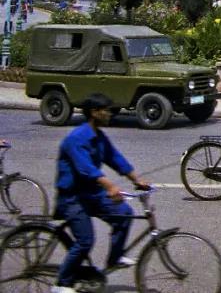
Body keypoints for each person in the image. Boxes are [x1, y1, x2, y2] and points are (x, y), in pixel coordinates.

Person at [53, 94, 150, 293]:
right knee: (85, 241)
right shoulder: (76, 138)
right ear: (94, 112)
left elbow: (115, 158)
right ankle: (61, 284)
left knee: (124, 214)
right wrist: (110, 186)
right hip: (72, 197)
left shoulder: (99, 136)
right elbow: (86, 169)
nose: (109, 113)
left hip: (92, 193)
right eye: (105, 110)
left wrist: (137, 179)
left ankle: (114, 258)